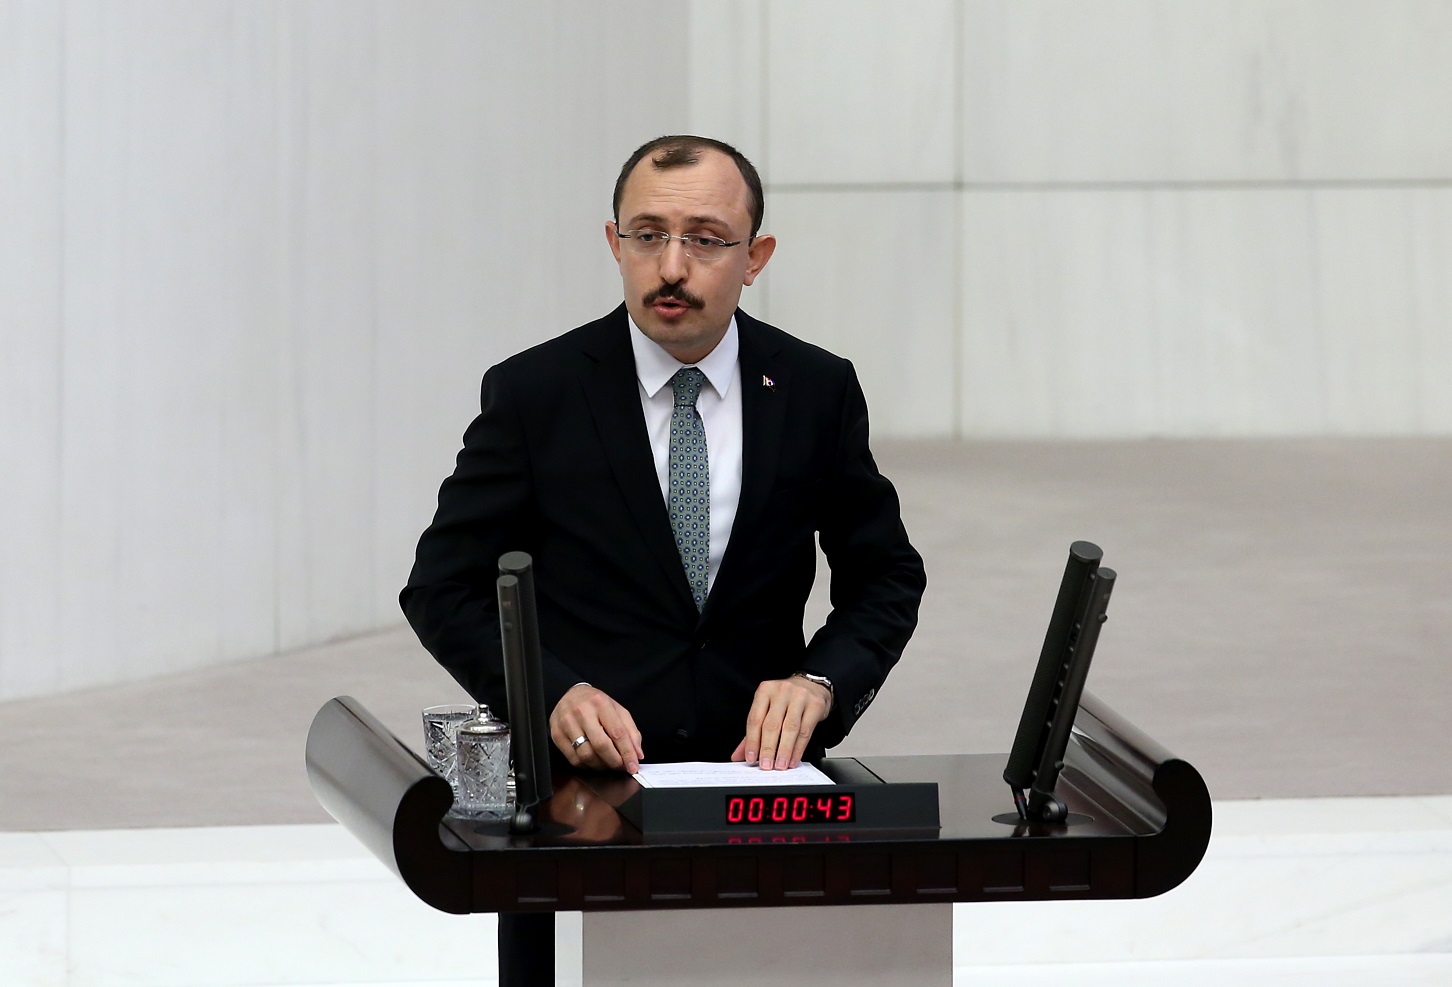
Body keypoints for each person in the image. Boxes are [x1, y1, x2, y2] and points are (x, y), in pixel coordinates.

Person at [400, 135, 926, 985]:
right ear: (614, 243)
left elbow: (886, 575)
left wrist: (820, 681)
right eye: (647, 236)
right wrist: (550, 693)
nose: (671, 266)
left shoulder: (815, 389)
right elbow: (441, 588)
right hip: (578, 805)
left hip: (760, 796)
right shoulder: (537, 393)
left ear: (756, 257)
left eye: (706, 240)